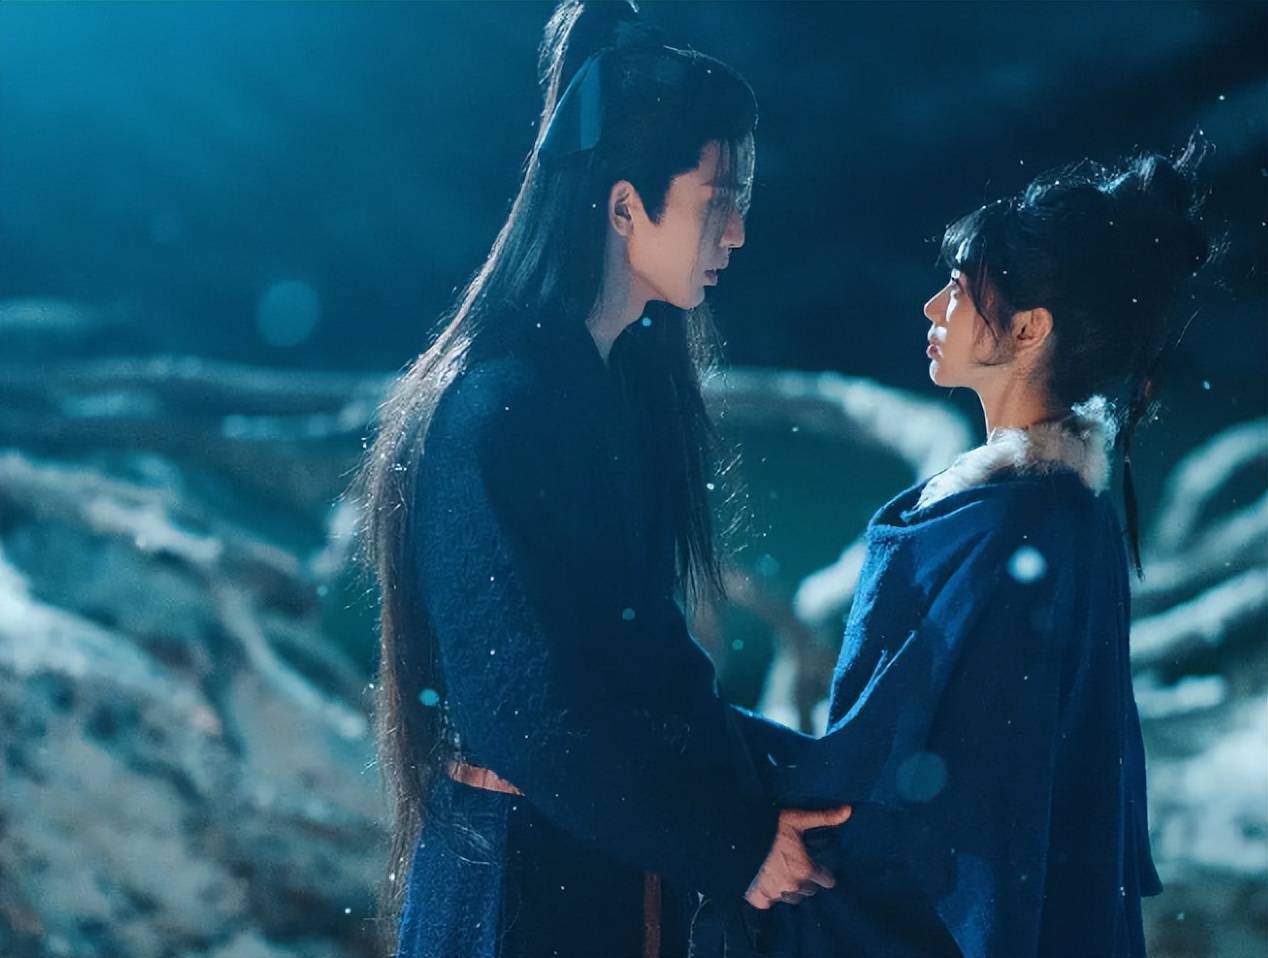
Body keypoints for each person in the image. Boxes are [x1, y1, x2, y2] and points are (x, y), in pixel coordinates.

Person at [351, 3, 848, 956]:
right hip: (516, 893)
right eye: (718, 199)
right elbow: (526, 712)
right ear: (625, 207)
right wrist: (733, 843)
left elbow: (643, 661)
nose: (738, 232)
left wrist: (800, 776)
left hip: (586, 871)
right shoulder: (500, 409)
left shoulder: (601, 389)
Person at [743, 145, 1212, 957]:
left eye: (959, 290)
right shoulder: (1064, 512)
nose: (933, 306)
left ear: (1029, 329)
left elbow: (902, 771)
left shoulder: (1006, 529)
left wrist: (709, 764)